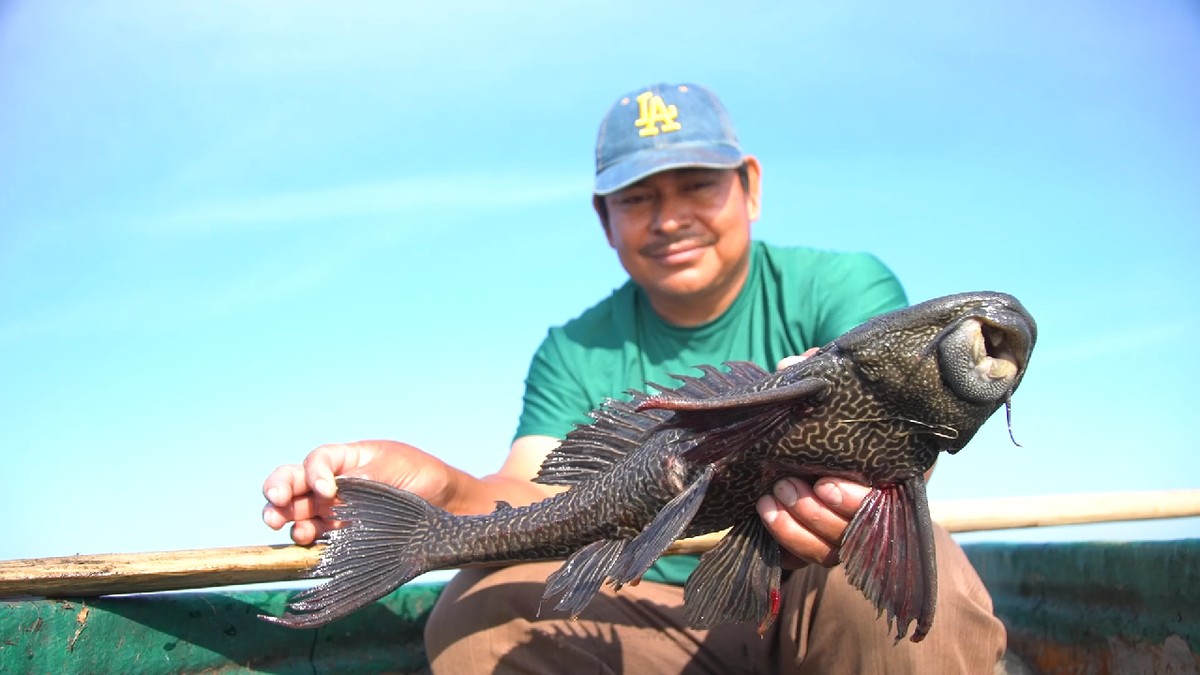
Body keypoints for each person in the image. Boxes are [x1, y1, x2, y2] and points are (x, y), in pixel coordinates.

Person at [262, 82, 1006, 674]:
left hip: (814, 598)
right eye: (638, 197)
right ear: (605, 219)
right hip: (654, 616)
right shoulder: (573, 348)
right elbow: (541, 497)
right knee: (477, 610)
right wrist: (445, 493)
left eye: (698, 185)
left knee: (907, 580)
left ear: (749, 186)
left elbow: (904, 436)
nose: (670, 217)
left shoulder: (842, 287)